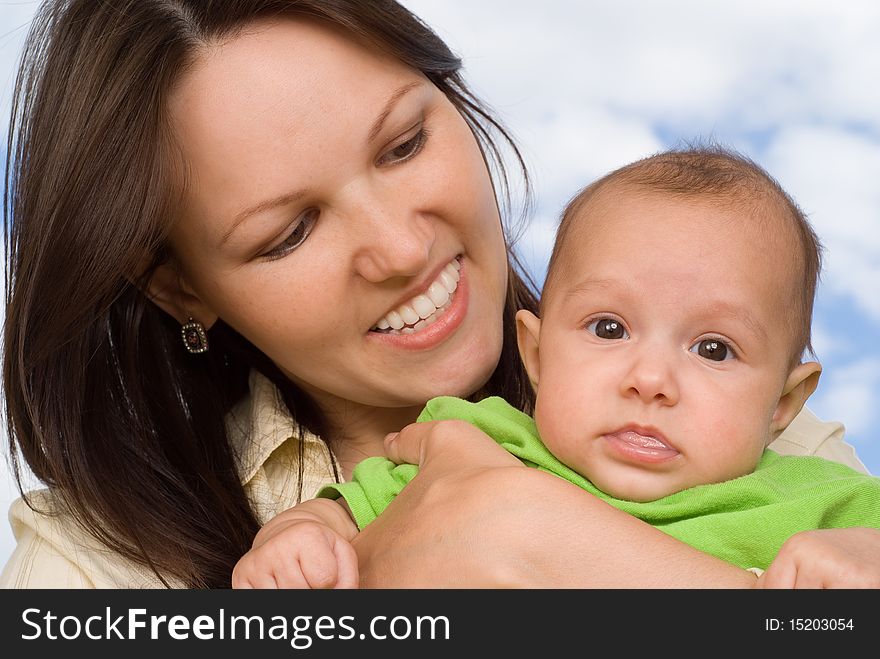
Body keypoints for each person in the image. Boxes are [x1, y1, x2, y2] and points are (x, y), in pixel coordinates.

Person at [1, 0, 875, 590]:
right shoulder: (85, 565)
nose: (402, 248)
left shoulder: (754, 429)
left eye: (404, 144)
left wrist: (539, 535)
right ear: (181, 287)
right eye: (290, 233)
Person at [231, 147, 880, 588]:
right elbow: (348, 510)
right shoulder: (477, 439)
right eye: (608, 328)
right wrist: (299, 536)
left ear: (784, 404)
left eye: (713, 349)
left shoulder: (823, 497)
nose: (650, 379)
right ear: (536, 353)